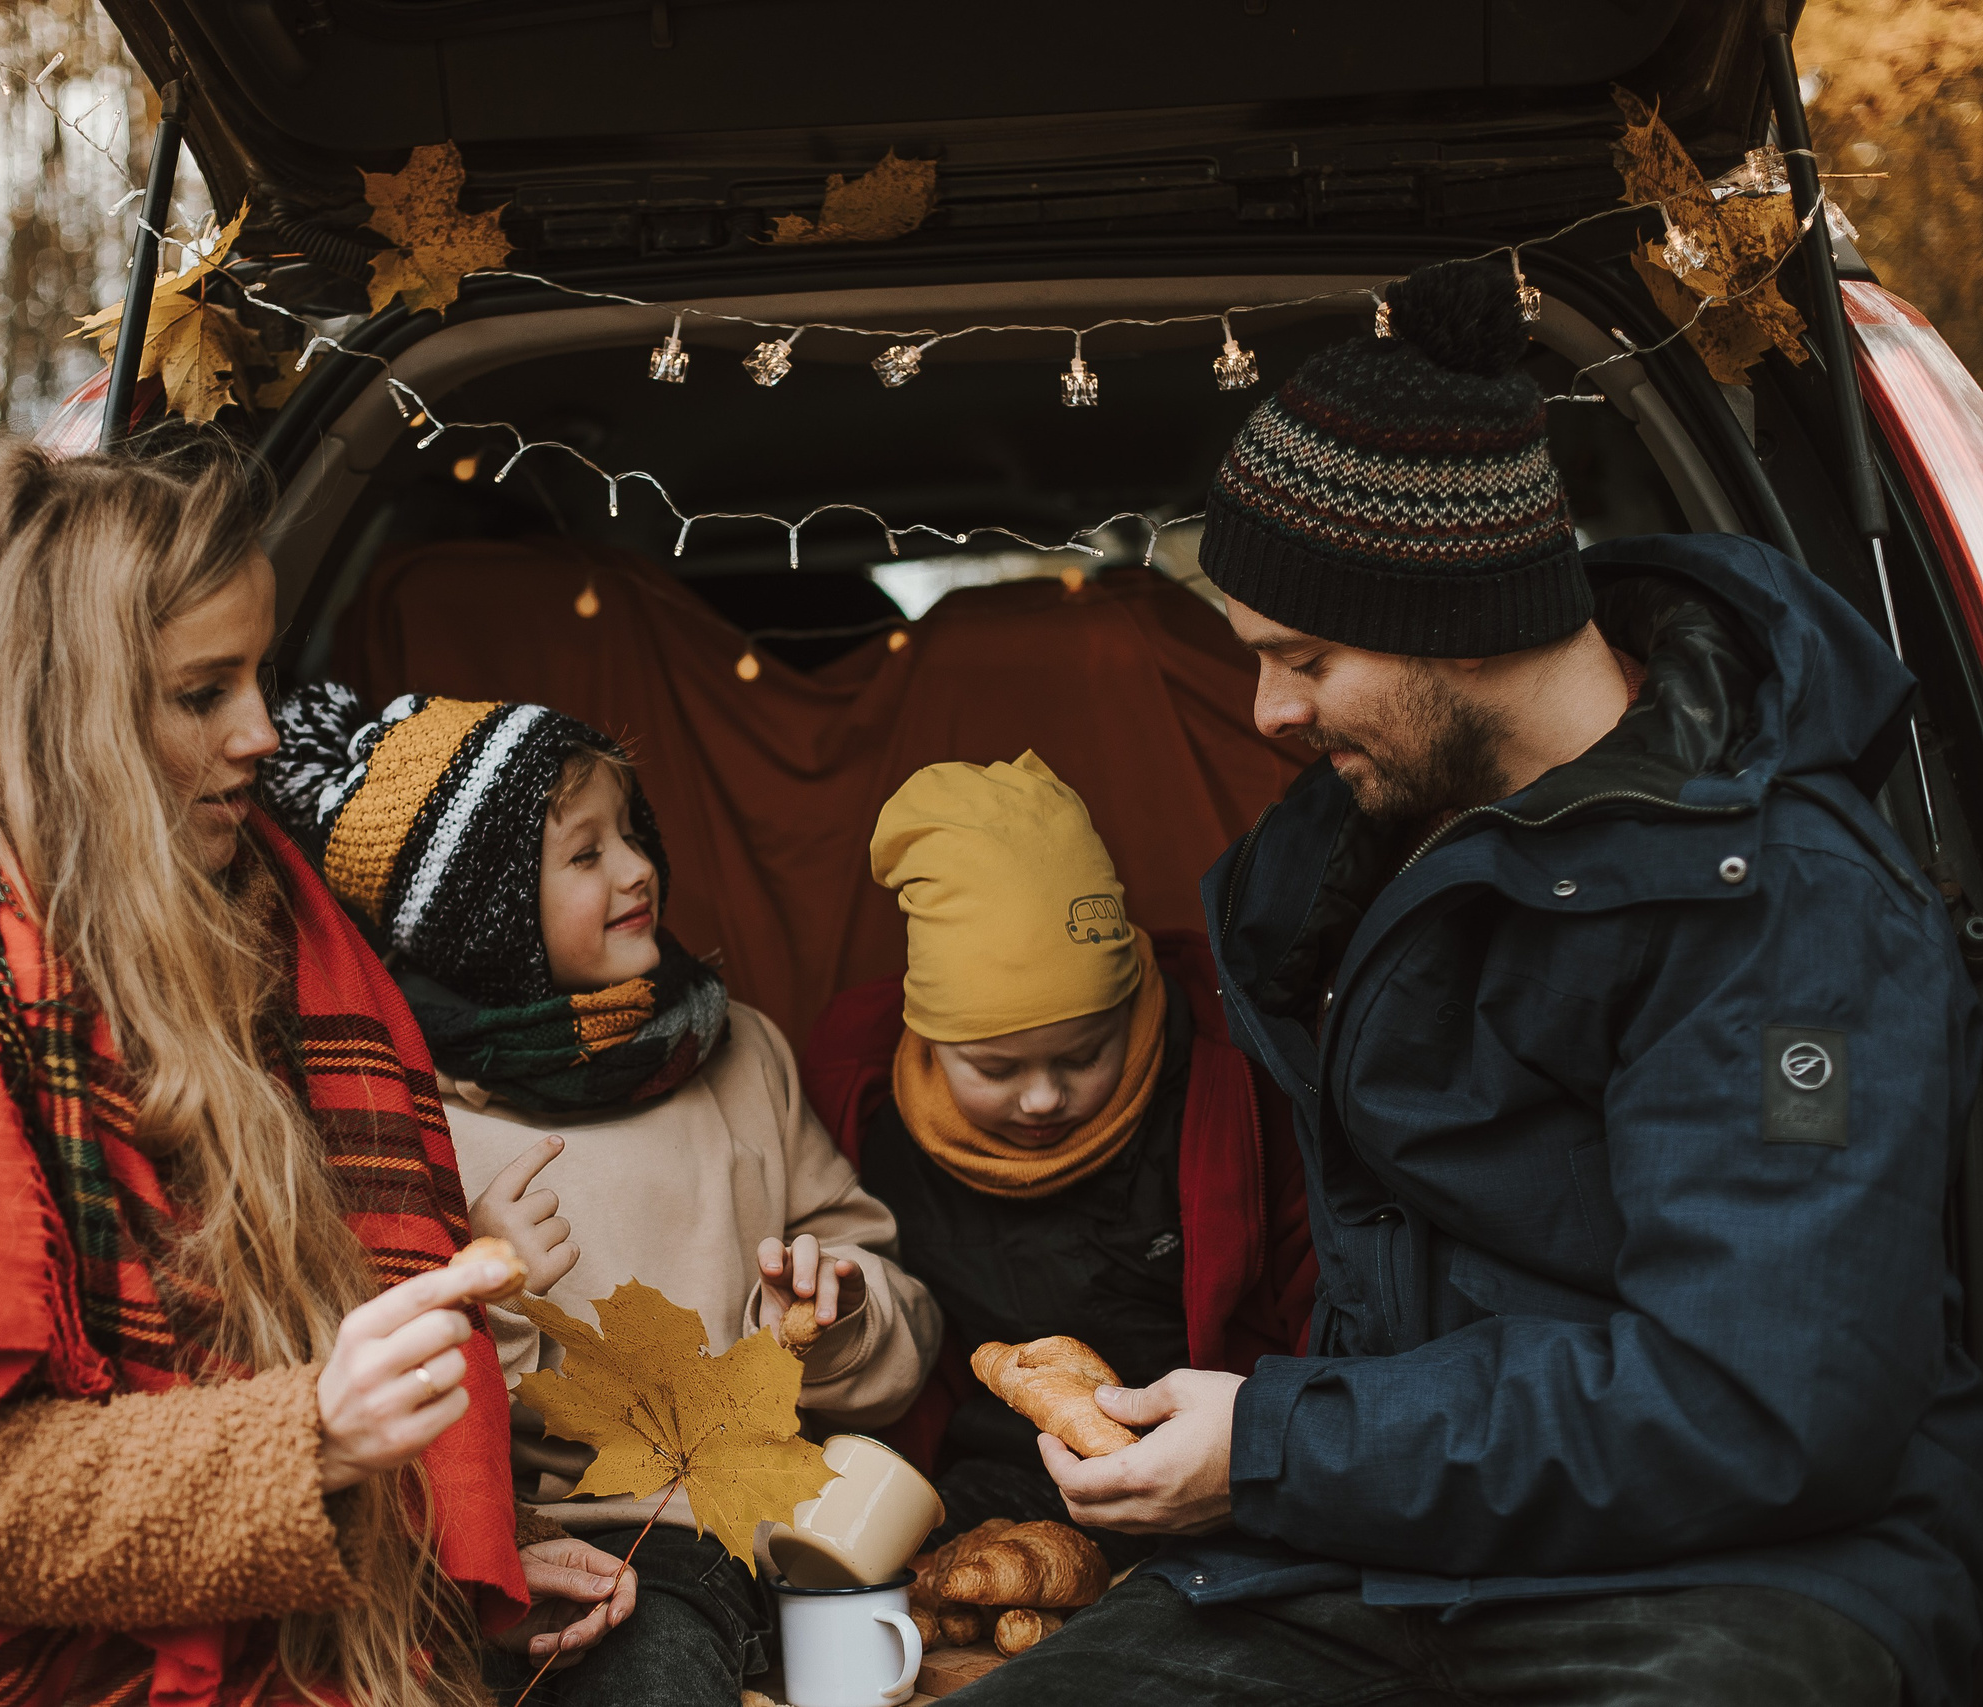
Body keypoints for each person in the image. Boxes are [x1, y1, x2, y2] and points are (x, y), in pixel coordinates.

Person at [956, 256, 1983, 1706]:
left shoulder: (1786, 904)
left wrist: (1272, 1445)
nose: (1268, 712)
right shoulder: (1344, 863)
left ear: (1465, 616)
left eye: (1302, 655)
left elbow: (1764, 1397)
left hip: (1753, 1574)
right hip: (1378, 1555)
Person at [0, 444, 636, 1707]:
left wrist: (428, 1573)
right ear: (63, 712)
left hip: (258, 1629)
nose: (260, 732)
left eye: (260, 675)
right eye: (198, 693)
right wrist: (315, 1439)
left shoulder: (241, 942)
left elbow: (262, 1362)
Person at [267, 684, 942, 1707]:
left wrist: (839, 1317)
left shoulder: (738, 1051)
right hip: (605, 1553)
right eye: (585, 854)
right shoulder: (409, 1116)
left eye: (631, 833)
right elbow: (367, 1402)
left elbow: (893, 1299)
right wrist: (481, 1292)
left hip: (805, 1531)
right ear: (482, 923)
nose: (637, 868)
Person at [852, 751, 1194, 1574]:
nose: (1042, 1098)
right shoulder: (871, 1117)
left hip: (1203, 1470)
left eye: (1083, 1055)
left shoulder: (1214, 1086)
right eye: (997, 1070)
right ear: (929, 1042)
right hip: (1000, 1473)